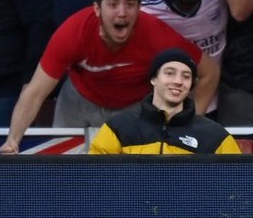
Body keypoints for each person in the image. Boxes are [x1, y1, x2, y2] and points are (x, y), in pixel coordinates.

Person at [0, 0, 218, 154]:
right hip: (78, 102)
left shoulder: (156, 34)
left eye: (129, 4)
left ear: (138, 9)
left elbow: (210, 72)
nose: (121, 12)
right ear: (97, 9)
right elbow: (35, 91)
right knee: (63, 176)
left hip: (134, 108)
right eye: (113, 4)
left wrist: (188, 125)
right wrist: (12, 140)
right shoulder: (73, 32)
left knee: (133, 181)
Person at [88, 48, 240, 155]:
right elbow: (95, 181)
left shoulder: (215, 136)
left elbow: (236, 186)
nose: (178, 81)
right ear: (154, 79)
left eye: (186, 76)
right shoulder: (118, 128)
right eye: (170, 73)